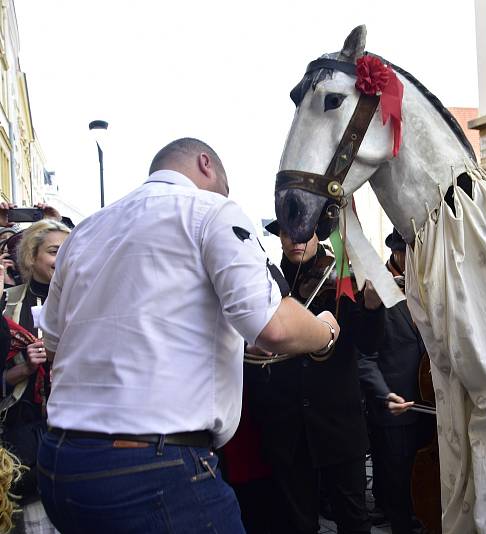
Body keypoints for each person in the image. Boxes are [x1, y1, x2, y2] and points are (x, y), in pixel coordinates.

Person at [36, 138, 340, 534]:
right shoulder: (210, 210)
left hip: (62, 463)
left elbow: (57, 349)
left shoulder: (86, 231)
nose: (225, 195)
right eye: (225, 186)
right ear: (205, 164)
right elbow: (274, 326)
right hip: (152, 468)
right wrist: (325, 331)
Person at [245, 219, 383, 534]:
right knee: (297, 523)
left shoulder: (341, 279)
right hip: (287, 429)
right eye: (285, 232)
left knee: (354, 520)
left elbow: (369, 343)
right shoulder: (265, 283)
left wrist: (374, 307)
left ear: (317, 234)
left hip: (338, 425)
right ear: (278, 238)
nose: (294, 238)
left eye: (302, 231)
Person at [357, 229, 433, 534]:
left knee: (425, 481)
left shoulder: (426, 289)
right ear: (398, 254)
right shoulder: (376, 293)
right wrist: (384, 393)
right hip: (395, 410)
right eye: (410, 253)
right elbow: (365, 357)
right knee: (399, 491)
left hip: (428, 403)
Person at [0, 219, 69, 534]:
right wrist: (24, 367)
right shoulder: (8, 303)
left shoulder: (86, 301)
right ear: (31, 256)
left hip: (74, 428)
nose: (64, 258)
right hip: (21, 434)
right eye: (55, 250)